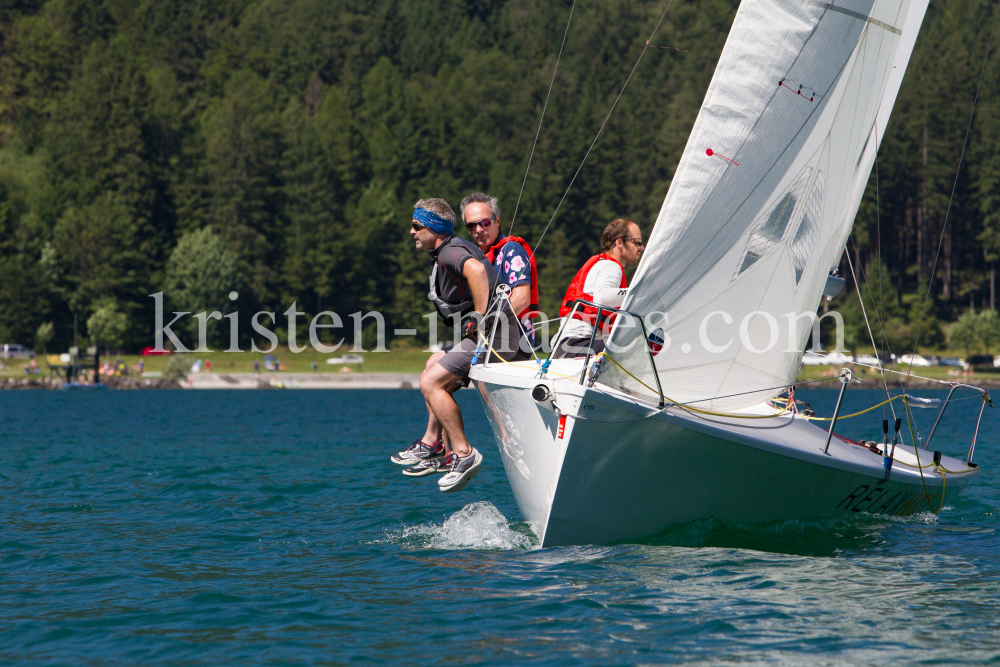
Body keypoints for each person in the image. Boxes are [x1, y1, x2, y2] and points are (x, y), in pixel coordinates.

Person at [390, 198, 519, 492]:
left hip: (496, 339)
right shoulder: (448, 249)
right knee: (432, 364)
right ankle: (433, 444)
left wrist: (480, 316)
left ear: (433, 228)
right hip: (490, 336)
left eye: (416, 226)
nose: (412, 232)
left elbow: (475, 270)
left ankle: (464, 453)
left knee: (430, 382)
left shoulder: (450, 252)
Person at [551, 218, 644, 359]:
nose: (641, 248)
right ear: (619, 243)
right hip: (580, 343)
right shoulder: (611, 267)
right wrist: (637, 292)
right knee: (636, 350)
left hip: (569, 346)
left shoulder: (602, 264)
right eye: (637, 242)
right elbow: (602, 297)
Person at [460, 192, 539, 352]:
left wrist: (488, 322)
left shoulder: (512, 250)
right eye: (472, 226)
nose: (479, 229)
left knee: (432, 377)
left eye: (485, 222)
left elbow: (522, 299)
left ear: (497, 221)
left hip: (513, 340)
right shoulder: (480, 258)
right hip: (488, 338)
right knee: (433, 363)